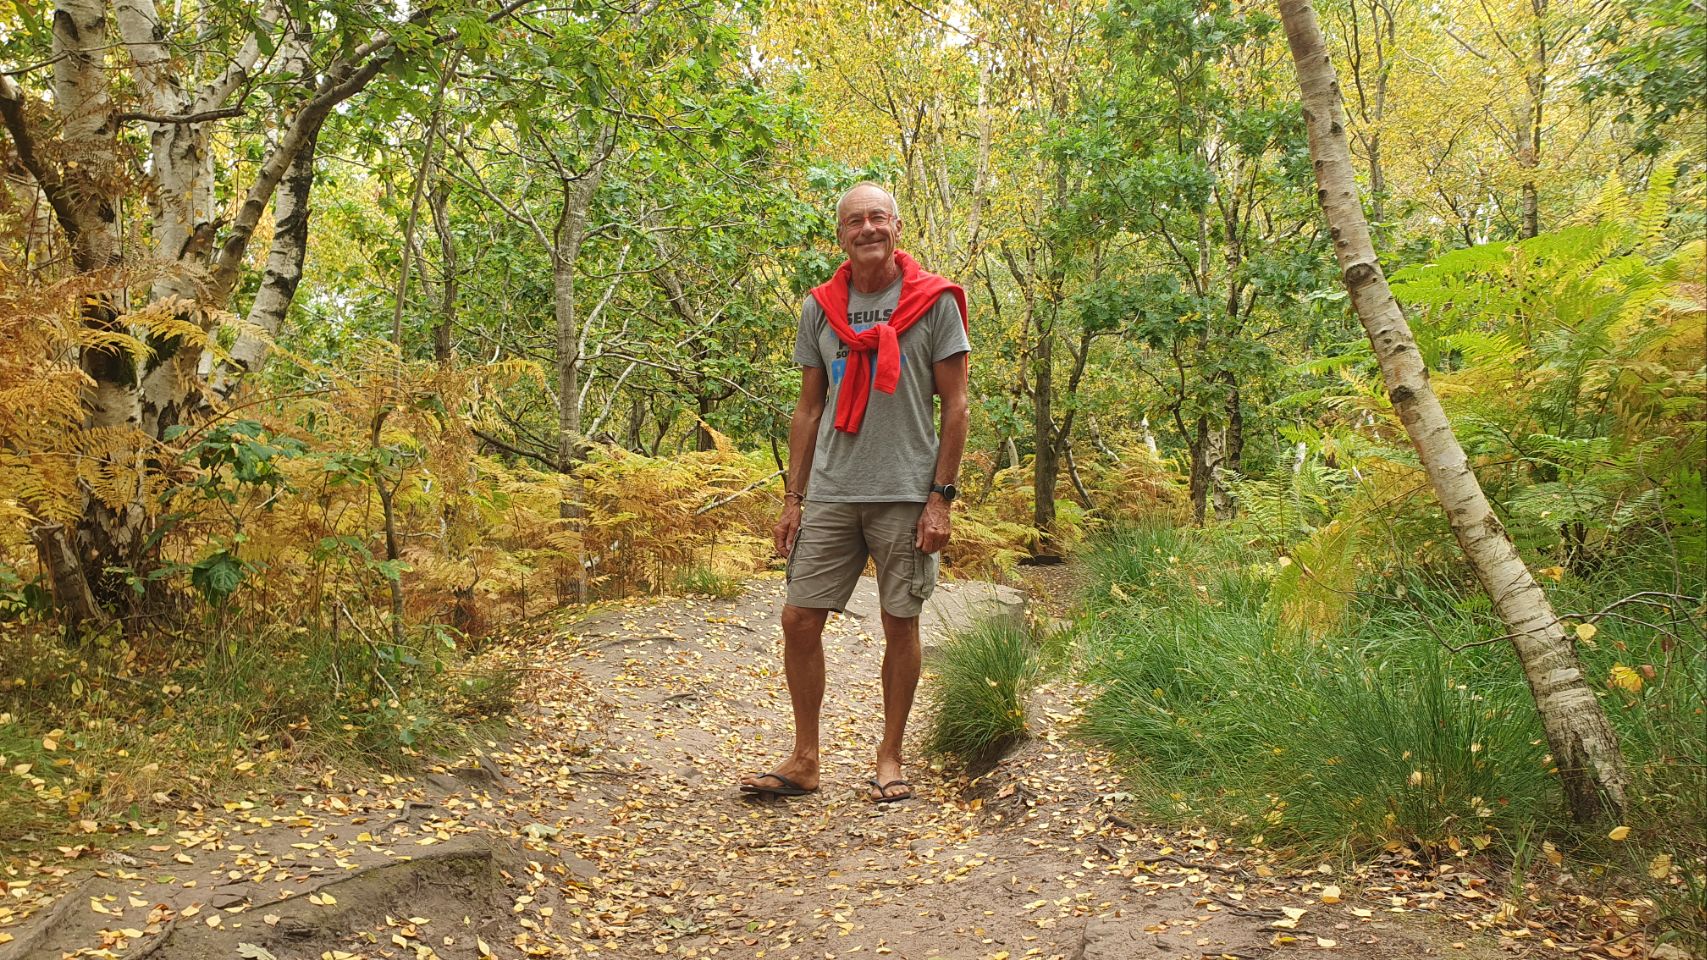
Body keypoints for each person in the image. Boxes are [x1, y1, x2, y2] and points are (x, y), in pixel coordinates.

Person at [739, 182, 970, 804]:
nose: (867, 228)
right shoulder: (821, 308)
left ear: (897, 226)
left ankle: (890, 756)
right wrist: (793, 498)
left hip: (906, 490)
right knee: (798, 617)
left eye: (877, 218)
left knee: (900, 620)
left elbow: (956, 405)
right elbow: (809, 408)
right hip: (834, 489)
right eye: (854, 221)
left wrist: (941, 497)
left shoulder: (934, 302)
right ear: (840, 235)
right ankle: (805, 759)